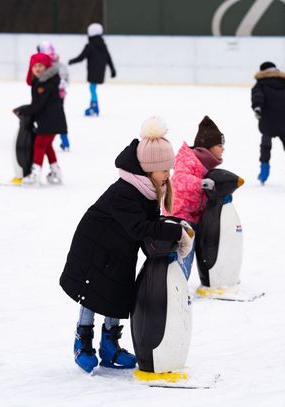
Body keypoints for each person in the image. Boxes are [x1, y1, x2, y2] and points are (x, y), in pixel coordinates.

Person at [59, 116, 193, 373]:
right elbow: (139, 227)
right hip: (95, 248)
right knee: (92, 294)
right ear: (149, 168)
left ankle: (110, 346)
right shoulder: (126, 192)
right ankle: (82, 341)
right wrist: (175, 232)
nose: (168, 175)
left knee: (118, 293)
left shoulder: (148, 190)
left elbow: (147, 227)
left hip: (120, 250)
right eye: (164, 170)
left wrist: (169, 239)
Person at [166, 115, 225, 279]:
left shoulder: (206, 167)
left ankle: (180, 285)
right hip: (180, 216)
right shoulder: (189, 160)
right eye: (220, 145)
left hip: (195, 218)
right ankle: (176, 286)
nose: (223, 149)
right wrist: (200, 183)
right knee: (183, 256)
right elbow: (179, 180)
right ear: (208, 146)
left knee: (190, 256)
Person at [14, 52, 66, 185]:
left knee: (39, 145)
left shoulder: (44, 83)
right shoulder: (45, 81)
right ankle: (56, 171)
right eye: (35, 66)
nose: (38, 68)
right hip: (53, 120)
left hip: (49, 120)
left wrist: (23, 110)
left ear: (46, 67)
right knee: (47, 146)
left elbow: (38, 104)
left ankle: (35, 174)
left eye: (41, 66)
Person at [251, 61, 285, 188]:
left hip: (268, 120)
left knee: (266, 144)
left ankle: (264, 171)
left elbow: (257, 96)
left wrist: (257, 108)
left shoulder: (260, 84)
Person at [68, 23, 116, 117]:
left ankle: (94, 107)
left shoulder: (90, 45)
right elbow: (108, 58)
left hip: (93, 71)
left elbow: (81, 57)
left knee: (92, 88)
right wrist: (112, 69)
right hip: (100, 71)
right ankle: (93, 105)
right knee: (93, 87)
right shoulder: (103, 45)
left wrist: (72, 61)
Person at [37, 41, 71, 151]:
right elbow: (66, 80)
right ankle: (64, 140)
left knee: (46, 116)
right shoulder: (60, 64)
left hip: (51, 96)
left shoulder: (46, 65)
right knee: (59, 116)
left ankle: (45, 140)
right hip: (59, 95)